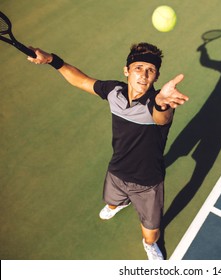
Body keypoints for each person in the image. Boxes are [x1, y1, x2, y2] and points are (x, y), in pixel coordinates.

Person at [27, 42, 189, 260]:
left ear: (156, 77)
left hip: (148, 183)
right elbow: (82, 81)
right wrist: (51, 61)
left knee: (151, 236)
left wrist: (161, 103)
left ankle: (149, 246)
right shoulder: (114, 91)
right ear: (127, 71)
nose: (143, 75)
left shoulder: (157, 102)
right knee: (111, 202)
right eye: (138, 68)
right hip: (117, 172)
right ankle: (118, 204)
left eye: (150, 71)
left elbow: (162, 118)